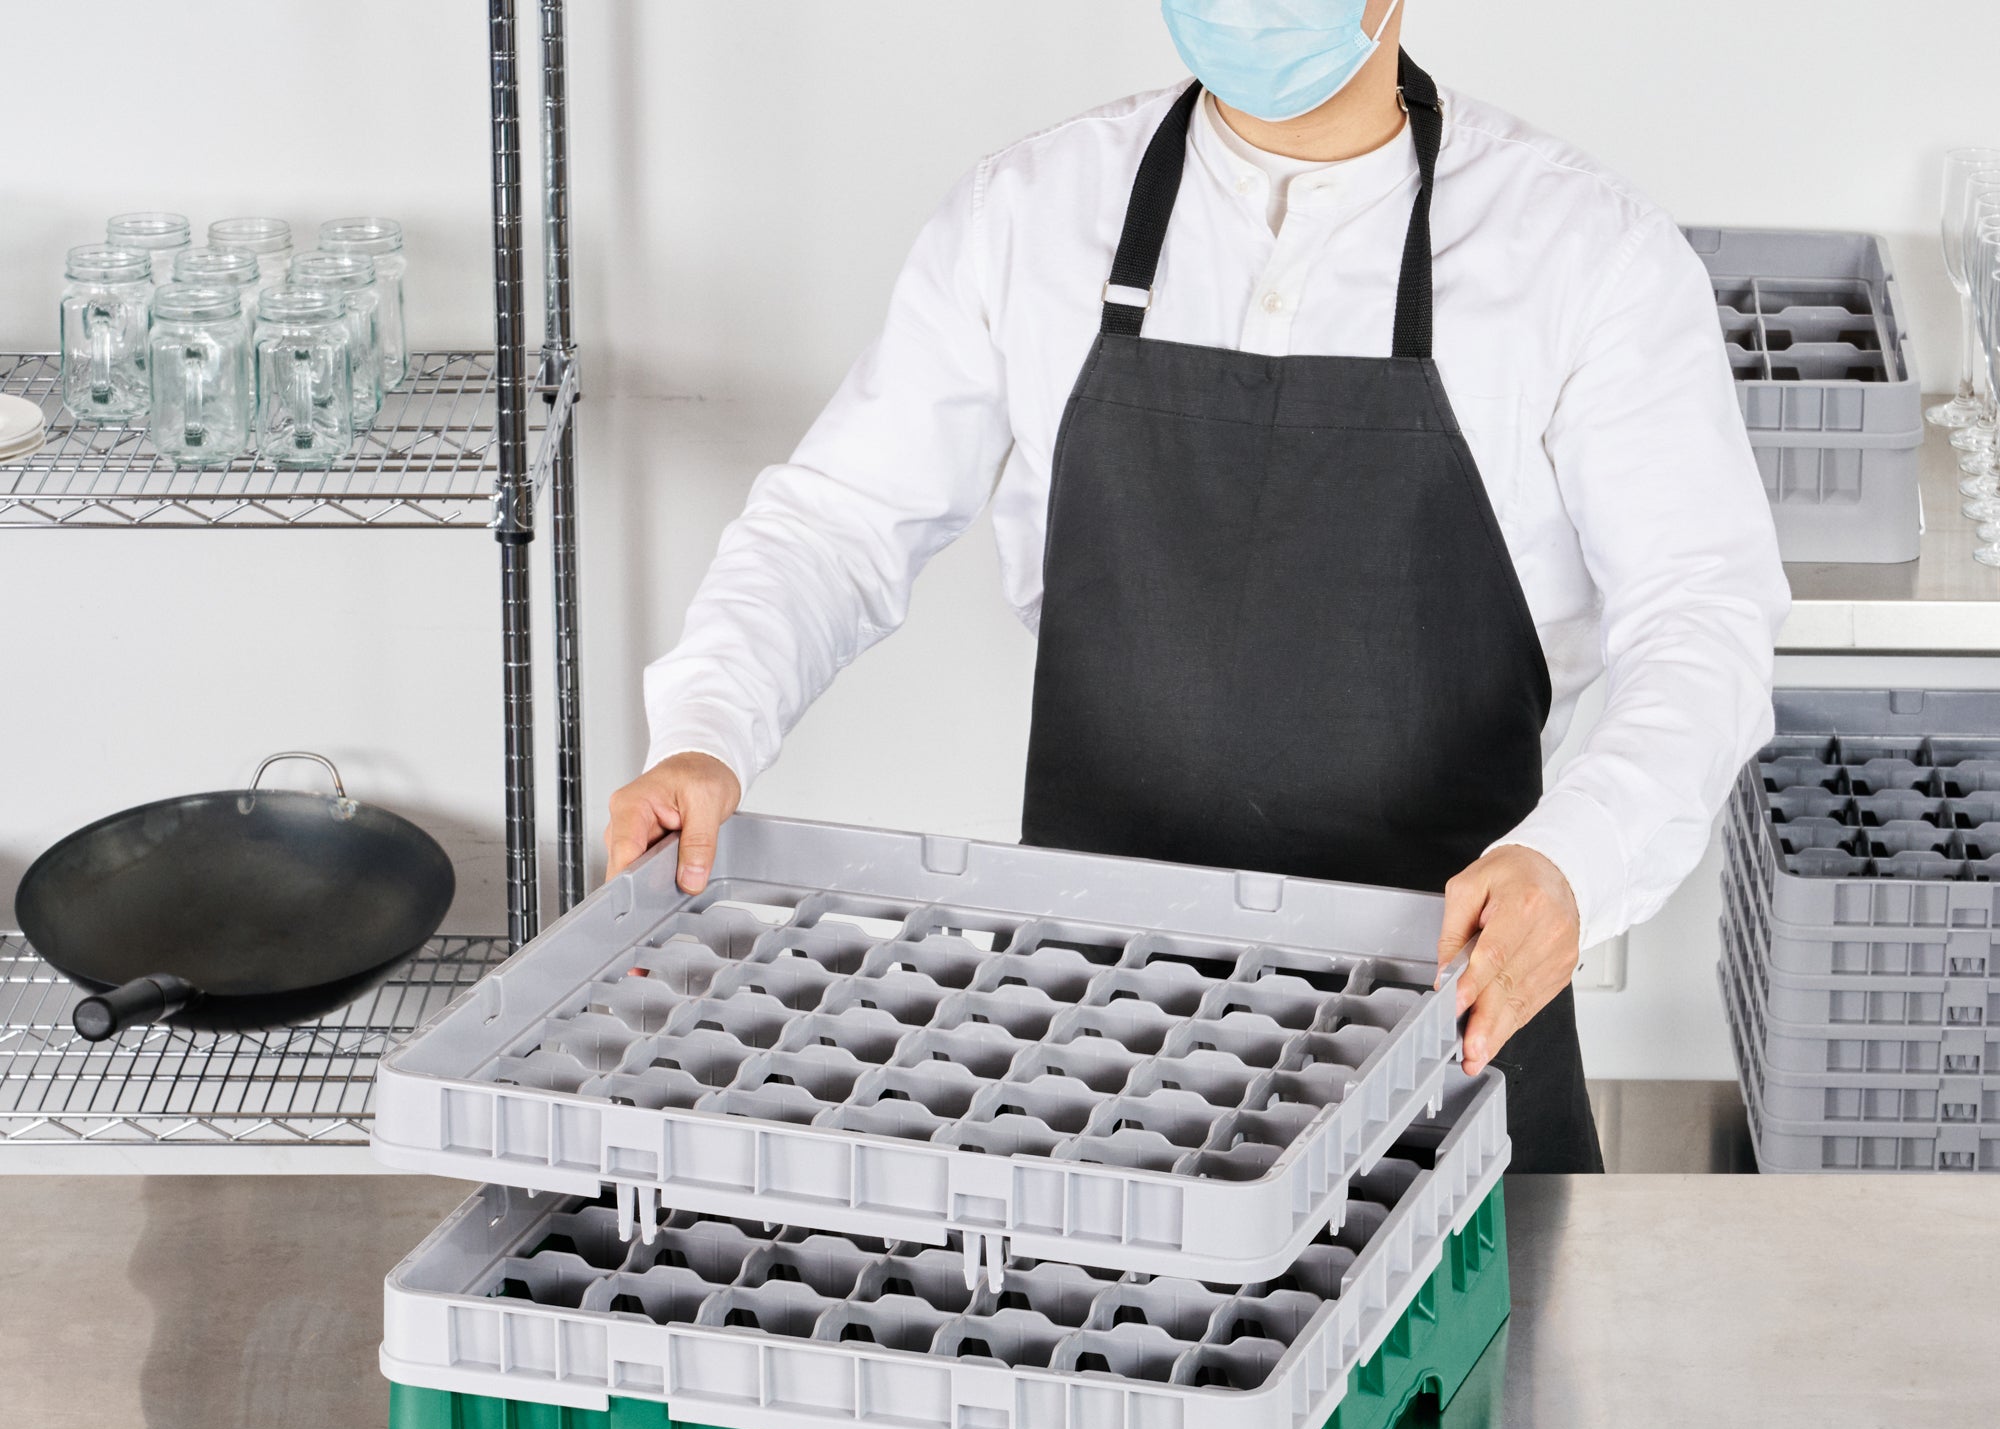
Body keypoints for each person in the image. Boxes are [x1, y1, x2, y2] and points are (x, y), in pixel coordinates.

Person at [609, 0, 1790, 1173]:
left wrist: (1575, 860)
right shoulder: (1028, 213)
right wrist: (707, 729)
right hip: (1090, 1035)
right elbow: (834, 522)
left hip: (1447, 1026)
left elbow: (1702, 621)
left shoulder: (1583, 252)